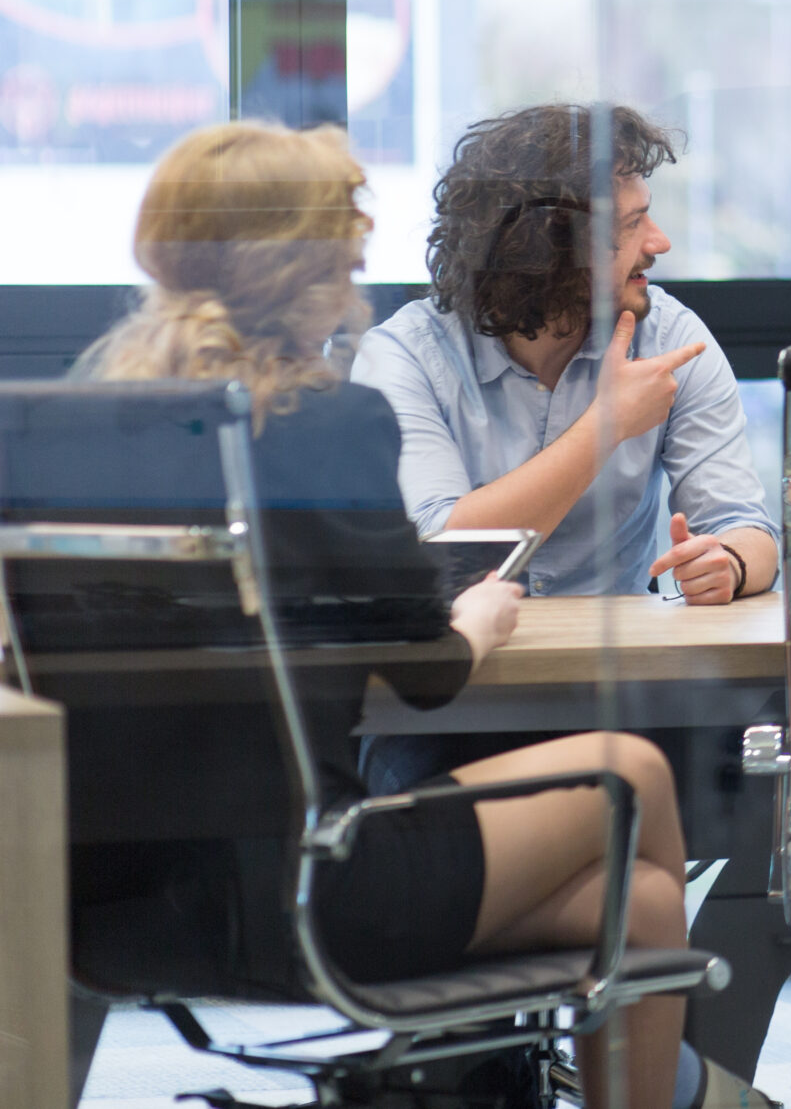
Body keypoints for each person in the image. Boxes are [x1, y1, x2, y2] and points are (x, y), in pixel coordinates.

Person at [68, 122, 703, 1109]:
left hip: (105, 906)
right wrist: (479, 616)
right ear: (313, 273)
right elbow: (426, 670)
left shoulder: (85, 422)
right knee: (634, 773)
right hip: (312, 889)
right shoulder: (324, 424)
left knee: (641, 901)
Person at [351, 102, 777, 603]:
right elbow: (439, 548)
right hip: (467, 649)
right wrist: (607, 424)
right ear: (545, 251)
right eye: (632, 223)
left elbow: (744, 524)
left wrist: (730, 563)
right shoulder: (406, 356)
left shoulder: (669, 337)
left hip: (623, 652)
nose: (658, 243)